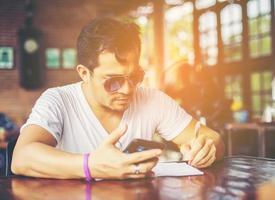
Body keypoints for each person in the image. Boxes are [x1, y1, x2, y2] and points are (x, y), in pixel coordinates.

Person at [12, 17, 224, 180]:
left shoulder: (152, 100)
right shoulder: (58, 100)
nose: (127, 89)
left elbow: (212, 138)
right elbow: (21, 157)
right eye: (113, 81)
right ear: (84, 73)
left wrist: (206, 148)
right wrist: (90, 165)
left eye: (134, 76)